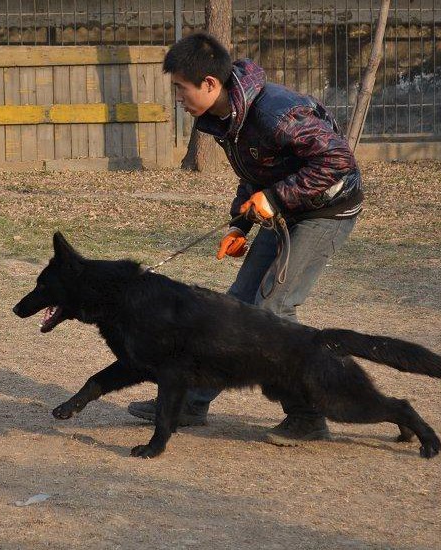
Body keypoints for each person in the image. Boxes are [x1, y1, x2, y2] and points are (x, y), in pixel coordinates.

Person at [127, 32, 364, 445]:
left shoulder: (275, 112)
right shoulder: (227, 116)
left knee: (273, 307)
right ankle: (190, 402)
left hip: (327, 209)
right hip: (289, 209)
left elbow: (338, 160)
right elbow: (255, 172)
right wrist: (240, 225)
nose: (178, 100)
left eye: (180, 89)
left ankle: (309, 415)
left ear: (209, 84)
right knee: (233, 306)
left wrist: (275, 198)